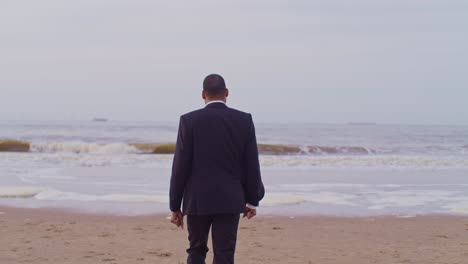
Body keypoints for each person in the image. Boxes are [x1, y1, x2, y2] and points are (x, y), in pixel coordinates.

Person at [169, 74, 265, 264]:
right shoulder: (243, 120)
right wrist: (253, 200)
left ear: (203, 94)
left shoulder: (189, 121)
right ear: (227, 93)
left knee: (196, 250)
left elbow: (180, 166)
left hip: (196, 199)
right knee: (225, 253)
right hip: (230, 199)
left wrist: (175, 206)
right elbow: (251, 164)